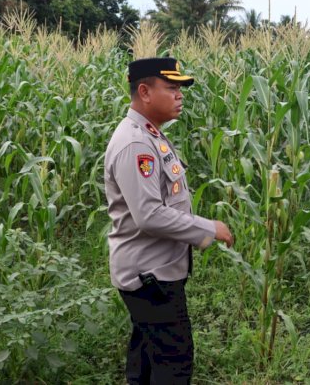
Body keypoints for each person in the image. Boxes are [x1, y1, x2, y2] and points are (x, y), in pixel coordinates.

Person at [104, 57, 234, 384]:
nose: (180, 95)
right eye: (172, 87)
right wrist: (208, 229)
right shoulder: (136, 142)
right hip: (150, 277)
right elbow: (148, 215)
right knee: (173, 364)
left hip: (154, 272)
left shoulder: (151, 134)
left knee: (147, 362)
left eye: (181, 88)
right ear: (145, 92)